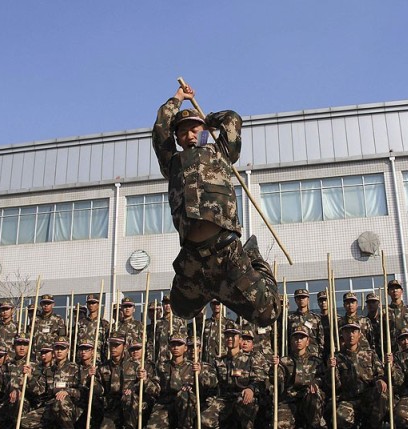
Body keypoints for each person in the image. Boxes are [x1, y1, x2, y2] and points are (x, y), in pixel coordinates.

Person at [152, 85, 280, 326]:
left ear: (204, 132)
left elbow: (232, 119)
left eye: (194, 129)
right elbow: (160, 129)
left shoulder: (220, 152)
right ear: (177, 138)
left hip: (225, 250)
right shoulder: (172, 162)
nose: (189, 135)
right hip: (192, 256)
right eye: (183, 132)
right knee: (181, 309)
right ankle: (212, 289)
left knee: (268, 313)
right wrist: (178, 98)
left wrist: (208, 119)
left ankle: (252, 255)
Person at [201, 325, 266, 429]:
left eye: (233, 336)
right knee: (205, 420)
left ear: (240, 340)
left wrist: (251, 388)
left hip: (243, 399)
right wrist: (201, 372)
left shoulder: (251, 359)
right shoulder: (219, 362)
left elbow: (260, 380)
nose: (230, 338)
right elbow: (212, 382)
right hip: (225, 400)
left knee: (245, 408)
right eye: (227, 336)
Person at [328, 322, 388, 429]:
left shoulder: (370, 354)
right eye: (347, 332)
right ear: (342, 335)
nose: (351, 335)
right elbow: (335, 386)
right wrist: (330, 369)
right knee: (341, 417)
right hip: (348, 399)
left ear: (359, 335)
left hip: (368, 396)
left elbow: (380, 373)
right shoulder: (336, 358)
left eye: (353, 332)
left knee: (383, 394)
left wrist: (380, 380)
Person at [271, 325, 326, 429]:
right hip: (289, 401)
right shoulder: (284, 361)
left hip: (308, 401)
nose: (299, 341)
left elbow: (324, 379)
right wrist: (275, 367)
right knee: (280, 424)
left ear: (308, 341)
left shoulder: (316, 362)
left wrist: (315, 383)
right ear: (291, 341)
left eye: (302, 338)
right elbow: (277, 381)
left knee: (314, 401)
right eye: (296, 338)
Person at [21, 336, 82, 429]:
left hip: (68, 407)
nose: (59, 351)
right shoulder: (48, 370)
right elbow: (39, 391)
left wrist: (68, 391)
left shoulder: (75, 369)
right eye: (57, 348)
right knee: (25, 421)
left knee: (60, 403)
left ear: (68, 350)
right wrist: (30, 377)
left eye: (62, 348)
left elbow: (82, 391)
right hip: (50, 406)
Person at [147, 334, 205, 429]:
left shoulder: (193, 367)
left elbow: (206, 386)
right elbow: (155, 389)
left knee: (185, 395)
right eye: (173, 344)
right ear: (169, 347)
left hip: (186, 407)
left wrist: (199, 374)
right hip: (166, 404)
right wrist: (145, 380)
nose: (176, 347)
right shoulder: (162, 367)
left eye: (179, 344)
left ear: (185, 348)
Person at [288, 289, 325, 357]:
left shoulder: (316, 318)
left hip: (313, 355)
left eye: (303, 297)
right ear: (295, 300)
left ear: (308, 299)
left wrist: (320, 354)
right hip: (295, 356)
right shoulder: (290, 318)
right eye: (299, 298)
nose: (301, 299)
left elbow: (321, 338)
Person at [77, 293, 110, 361]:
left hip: (98, 359)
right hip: (82, 359)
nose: (91, 305)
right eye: (89, 303)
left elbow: (107, 344)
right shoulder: (80, 323)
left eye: (93, 303)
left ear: (98, 304)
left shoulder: (104, 324)